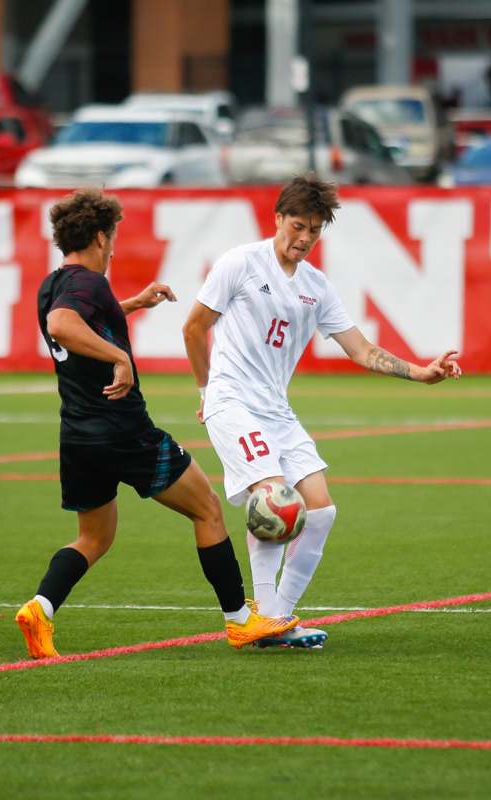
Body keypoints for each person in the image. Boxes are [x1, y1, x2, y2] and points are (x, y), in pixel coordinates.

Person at [15, 188, 299, 659]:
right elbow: (65, 325)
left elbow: (73, 317)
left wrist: (130, 305)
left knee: (94, 537)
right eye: (114, 238)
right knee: (207, 508)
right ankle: (240, 620)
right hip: (125, 432)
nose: (114, 248)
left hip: (78, 435)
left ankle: (41, 608)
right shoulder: (88, 284)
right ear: (101, 237)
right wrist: (118, 357)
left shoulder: (55, 282)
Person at [183, 174, 462, 650]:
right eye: (298, 225)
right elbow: (194, 327)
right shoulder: (240, 264)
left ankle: (278, 617)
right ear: (277, 218)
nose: (305, 238)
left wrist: (420, 372)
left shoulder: (316, 286)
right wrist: (208, 390)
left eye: (314, 229)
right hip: (232, 401)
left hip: (276, 409)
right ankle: (267, 619)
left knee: (322, 509)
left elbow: (361, 349)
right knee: (274, 498)